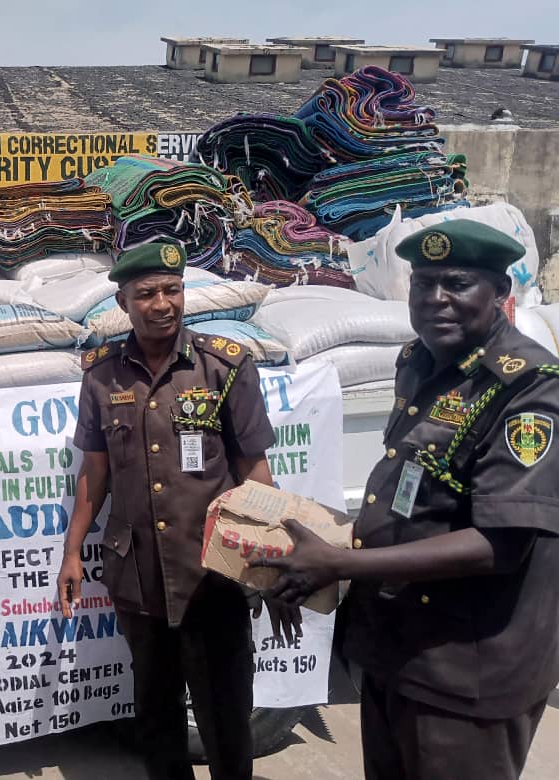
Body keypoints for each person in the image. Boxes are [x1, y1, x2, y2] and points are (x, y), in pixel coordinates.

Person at [254, 220, 559, 780]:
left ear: (499, 291)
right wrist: (314, 554)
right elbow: (409, 498)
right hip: (396, 646)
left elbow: (501, 544)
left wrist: (339, 564)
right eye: (423, 283)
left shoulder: (528, 388)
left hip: (466, 670)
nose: (436, 299)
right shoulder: (418, 361)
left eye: (457, 283)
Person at [56, 242, 292, 780]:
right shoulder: (102, 376)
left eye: (172, 290)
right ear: (123, 302)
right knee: (158, 719)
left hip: (214, 575)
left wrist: (277, 563)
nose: (162, 304)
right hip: (138, 578)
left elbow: (255, 472)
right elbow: (95, 472)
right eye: (146, 294)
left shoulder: (223, 366)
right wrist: (72, 552)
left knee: (226, 720)